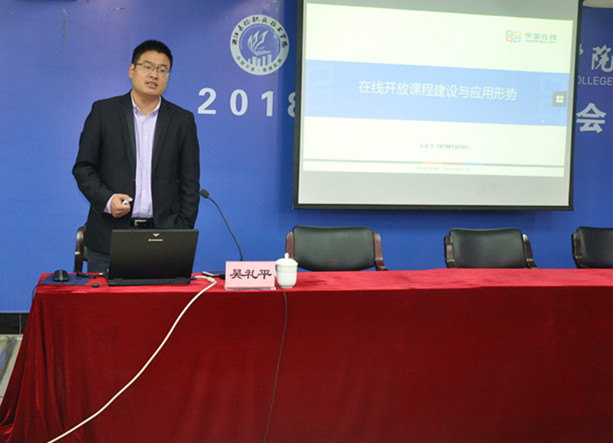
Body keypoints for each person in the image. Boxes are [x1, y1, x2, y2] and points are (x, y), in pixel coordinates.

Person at [73, 40, 200, 273]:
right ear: (132, 70)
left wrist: (181, 229)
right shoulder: (104, 112)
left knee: (162, 298)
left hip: (164, 239)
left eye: (162, 70)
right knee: (106, 298)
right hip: (109, 238)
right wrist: (107, 200)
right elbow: (83, 167)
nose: (154, 75)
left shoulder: (182, 120)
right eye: (148, 67)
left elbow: (190, 182)